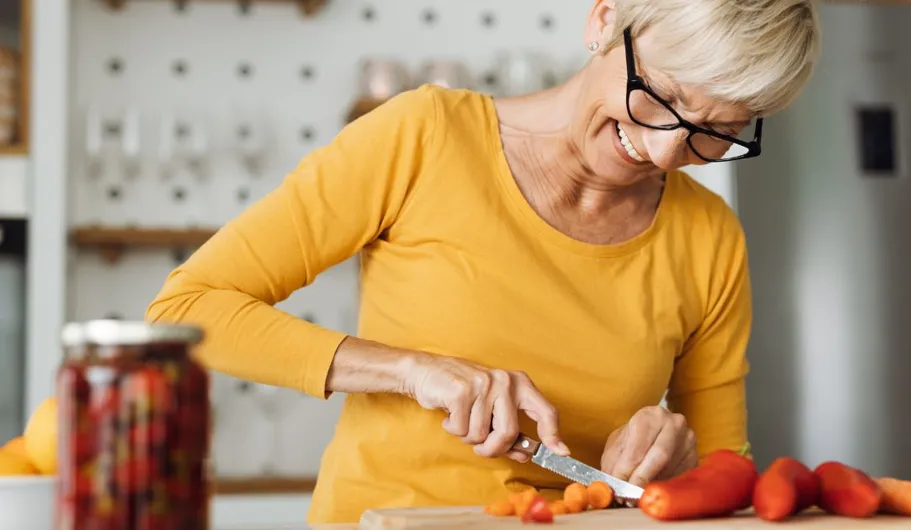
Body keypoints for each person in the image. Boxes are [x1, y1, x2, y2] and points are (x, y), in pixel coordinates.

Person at [145, 0, 821, 524]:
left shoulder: (710, 236)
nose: (665, 151)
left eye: (716, 133)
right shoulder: (423, 136)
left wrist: (679, 458)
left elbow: (730, 471)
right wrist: (409, 369)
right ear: (604, 21)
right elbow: (187, 310)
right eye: (661, 98)